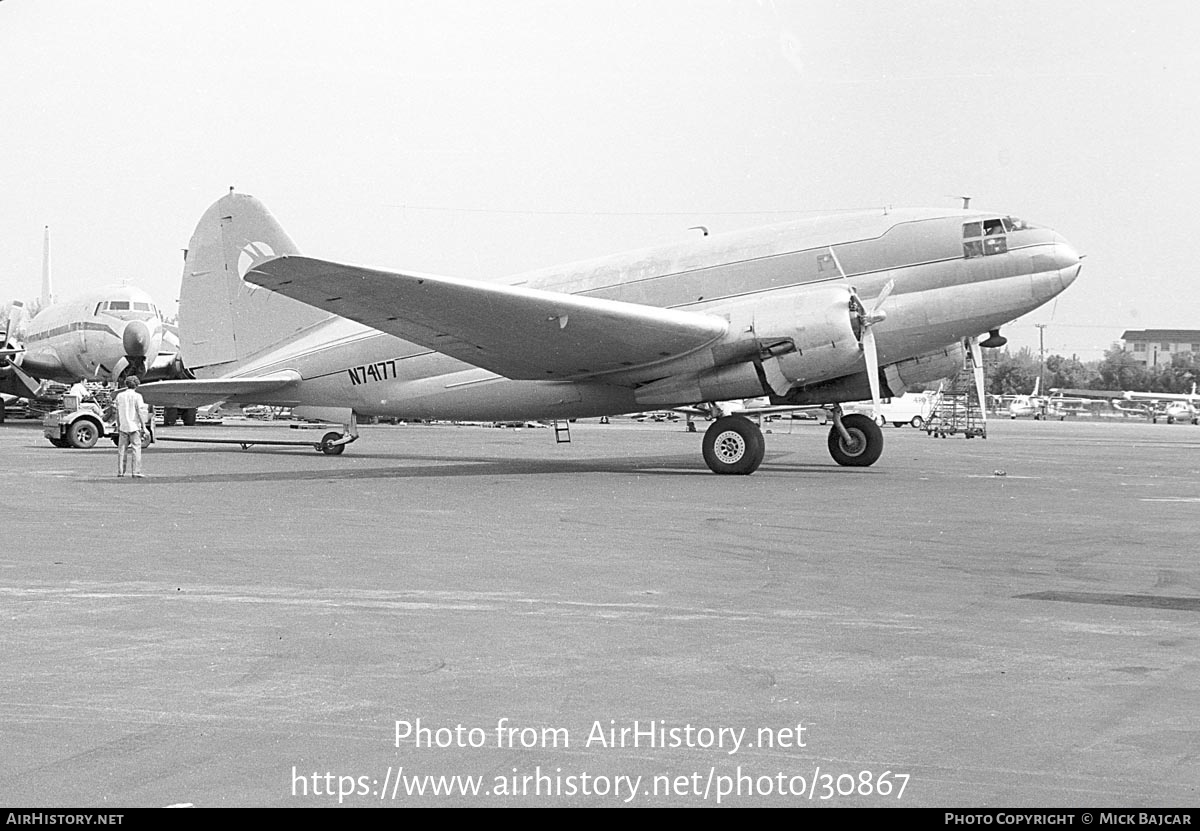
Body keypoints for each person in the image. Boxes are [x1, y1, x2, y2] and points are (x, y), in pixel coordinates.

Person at [115, 376, 148, 478]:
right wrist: (144, 426)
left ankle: (121, 471)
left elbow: (117, 412)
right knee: (136, 449)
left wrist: (118, 424)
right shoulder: (138, 396)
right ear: (137, 385)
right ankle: (136, 471)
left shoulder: (119, 396)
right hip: (134, 425)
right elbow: (140, 412)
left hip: (123, 425)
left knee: (122, 449)